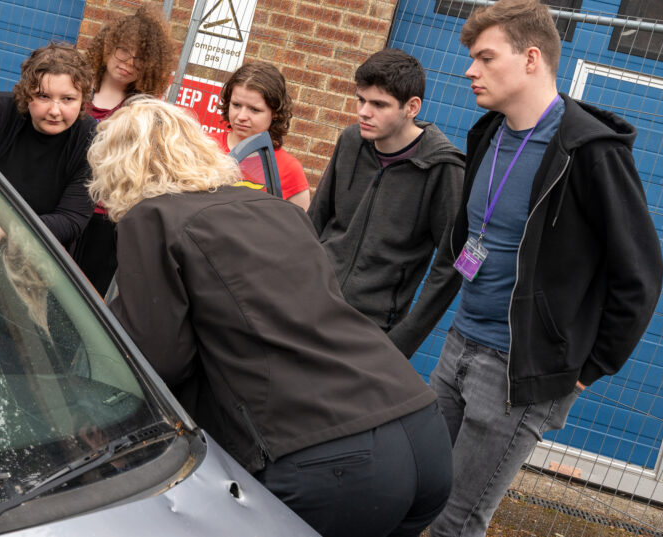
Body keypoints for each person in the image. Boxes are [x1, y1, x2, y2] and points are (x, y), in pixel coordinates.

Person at [88, 96, 453, 537]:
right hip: (420, 431)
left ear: (117, 167)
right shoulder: (274, 208)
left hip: (328, 460)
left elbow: (158, 359)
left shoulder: (151, 218)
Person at [427, 0, 663, 537]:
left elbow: (640, 275)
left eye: (486, 58)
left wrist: (585, 370)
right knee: (420, 493)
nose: (470, 71)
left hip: (518, 372)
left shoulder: (590, 152)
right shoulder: (487, 133)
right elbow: (470, 240)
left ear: (531, 59)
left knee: (455, 523)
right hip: (459, 347)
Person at [307, 49, 464, 357]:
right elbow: (315, 220)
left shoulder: (443, 168)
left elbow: (450, 267)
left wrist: (400, 343)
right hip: (311, 305)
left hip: (371, 330)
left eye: (378, 104)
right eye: (360, 100)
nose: (364, 112)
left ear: (412, 107)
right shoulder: (351, 140)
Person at [0, 43, 96, 273]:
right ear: (26, 93)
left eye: (68, 99)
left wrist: (6, 226)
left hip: (35, 267)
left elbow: (71, 220)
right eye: (43, 96)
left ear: (83, 100)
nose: (55, 110)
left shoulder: (90, 139)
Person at [73, 5, 174, 296]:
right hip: (65, 208)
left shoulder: (141, 108)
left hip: (104, 219)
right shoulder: (79, 90)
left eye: (140, 58)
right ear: (107, 46)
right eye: (123, 50)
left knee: (85, 298)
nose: (129, 62)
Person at [207, 62, 311, 209]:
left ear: (274, 113)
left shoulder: (289, 169)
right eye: (236, 105)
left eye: (254, 110)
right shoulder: (203, 145)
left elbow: (297, 228)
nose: (242, 116)